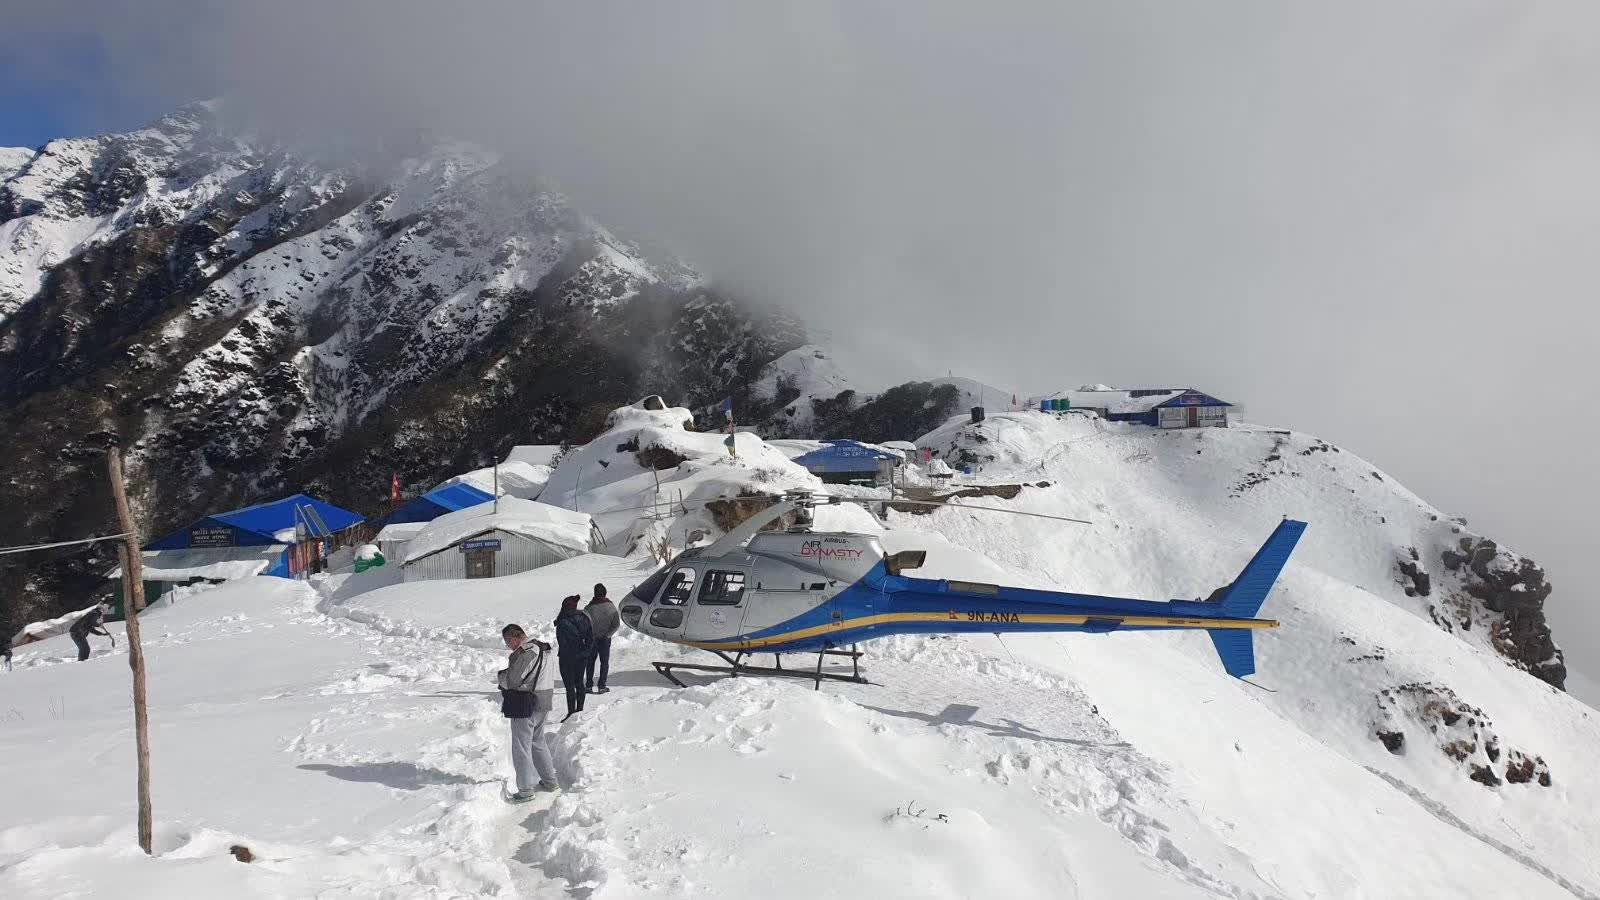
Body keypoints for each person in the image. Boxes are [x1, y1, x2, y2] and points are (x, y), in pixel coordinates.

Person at [497, 624, 559, 802]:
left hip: (525, 704)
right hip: (544, 701)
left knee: (521, 747)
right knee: (538, 742)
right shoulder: (544, 647)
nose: (509, 646)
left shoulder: (525, 652)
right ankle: (550, 781)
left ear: (513, 638)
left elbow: (513, 680)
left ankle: (525, 790)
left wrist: (500, 677)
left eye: (508, 642)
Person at [554, 595, 594, 719]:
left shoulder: (562, 622)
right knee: (580, 683)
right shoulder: (584, 618)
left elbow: (562, 642)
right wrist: (586, 652)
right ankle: (580, 710)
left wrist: (567, 655)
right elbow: (590, 638)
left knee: (570, 687)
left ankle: (571, 713)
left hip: (567, 658)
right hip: (581, 656)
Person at [584, 583, 619, 694]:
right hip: (605, 639)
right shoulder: (611, 607)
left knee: (590, 662)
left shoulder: (588, 608)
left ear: (594, 593)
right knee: (604, 663)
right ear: (605, 593)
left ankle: (588, 686)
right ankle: (602, 686)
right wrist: (608, 634)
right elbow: (616, 624)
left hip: (592, 640)